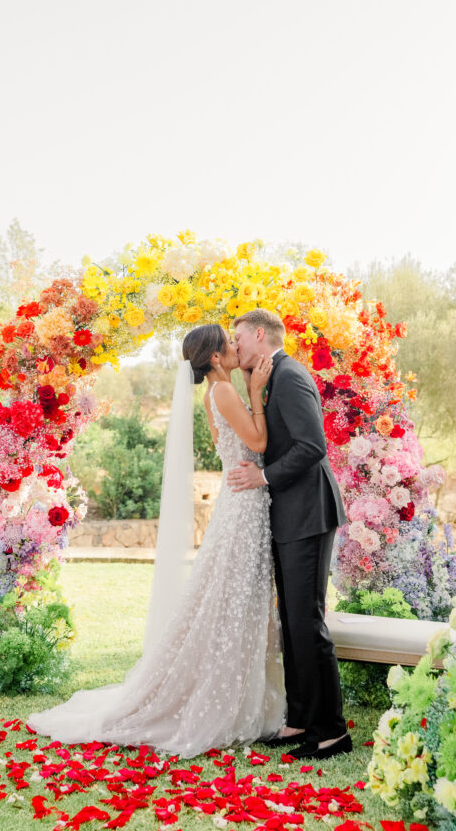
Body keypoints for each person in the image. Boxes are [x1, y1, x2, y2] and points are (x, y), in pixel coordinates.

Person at [26, 324, 286, 758]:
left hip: (241, 503)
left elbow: (235, 446)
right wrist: (257, 391)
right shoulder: (223, 393)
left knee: (233, 599)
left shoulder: (215, 393)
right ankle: (228, 697)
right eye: (229, 342)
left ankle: (243, 691)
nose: (236, 344)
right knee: (234, 599)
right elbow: (257, 441)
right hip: (244, 505)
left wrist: (249, 390)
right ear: (217, 359)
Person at [227, 309, 351, 760]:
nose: (234, 344)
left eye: (238, 337)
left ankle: (332, 731)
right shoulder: (268, 376)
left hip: (308, 516)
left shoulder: (292, 375)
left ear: (259, 334)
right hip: (289, 518)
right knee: (293, 625)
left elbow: (313, 446)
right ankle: (300, 718)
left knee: (307, 622)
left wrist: (263, 477)